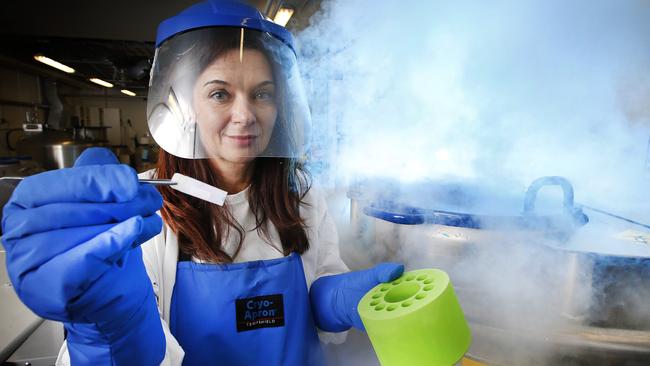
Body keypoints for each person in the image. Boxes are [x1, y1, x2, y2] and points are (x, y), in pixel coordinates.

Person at [0, 1, 403, 365]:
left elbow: (318, 282)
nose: (245, 114)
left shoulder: (299, 192)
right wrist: (107, 333)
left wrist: (336, 299)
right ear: (185, 105)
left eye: (262, 94)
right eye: (219, 94)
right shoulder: (142, 206)